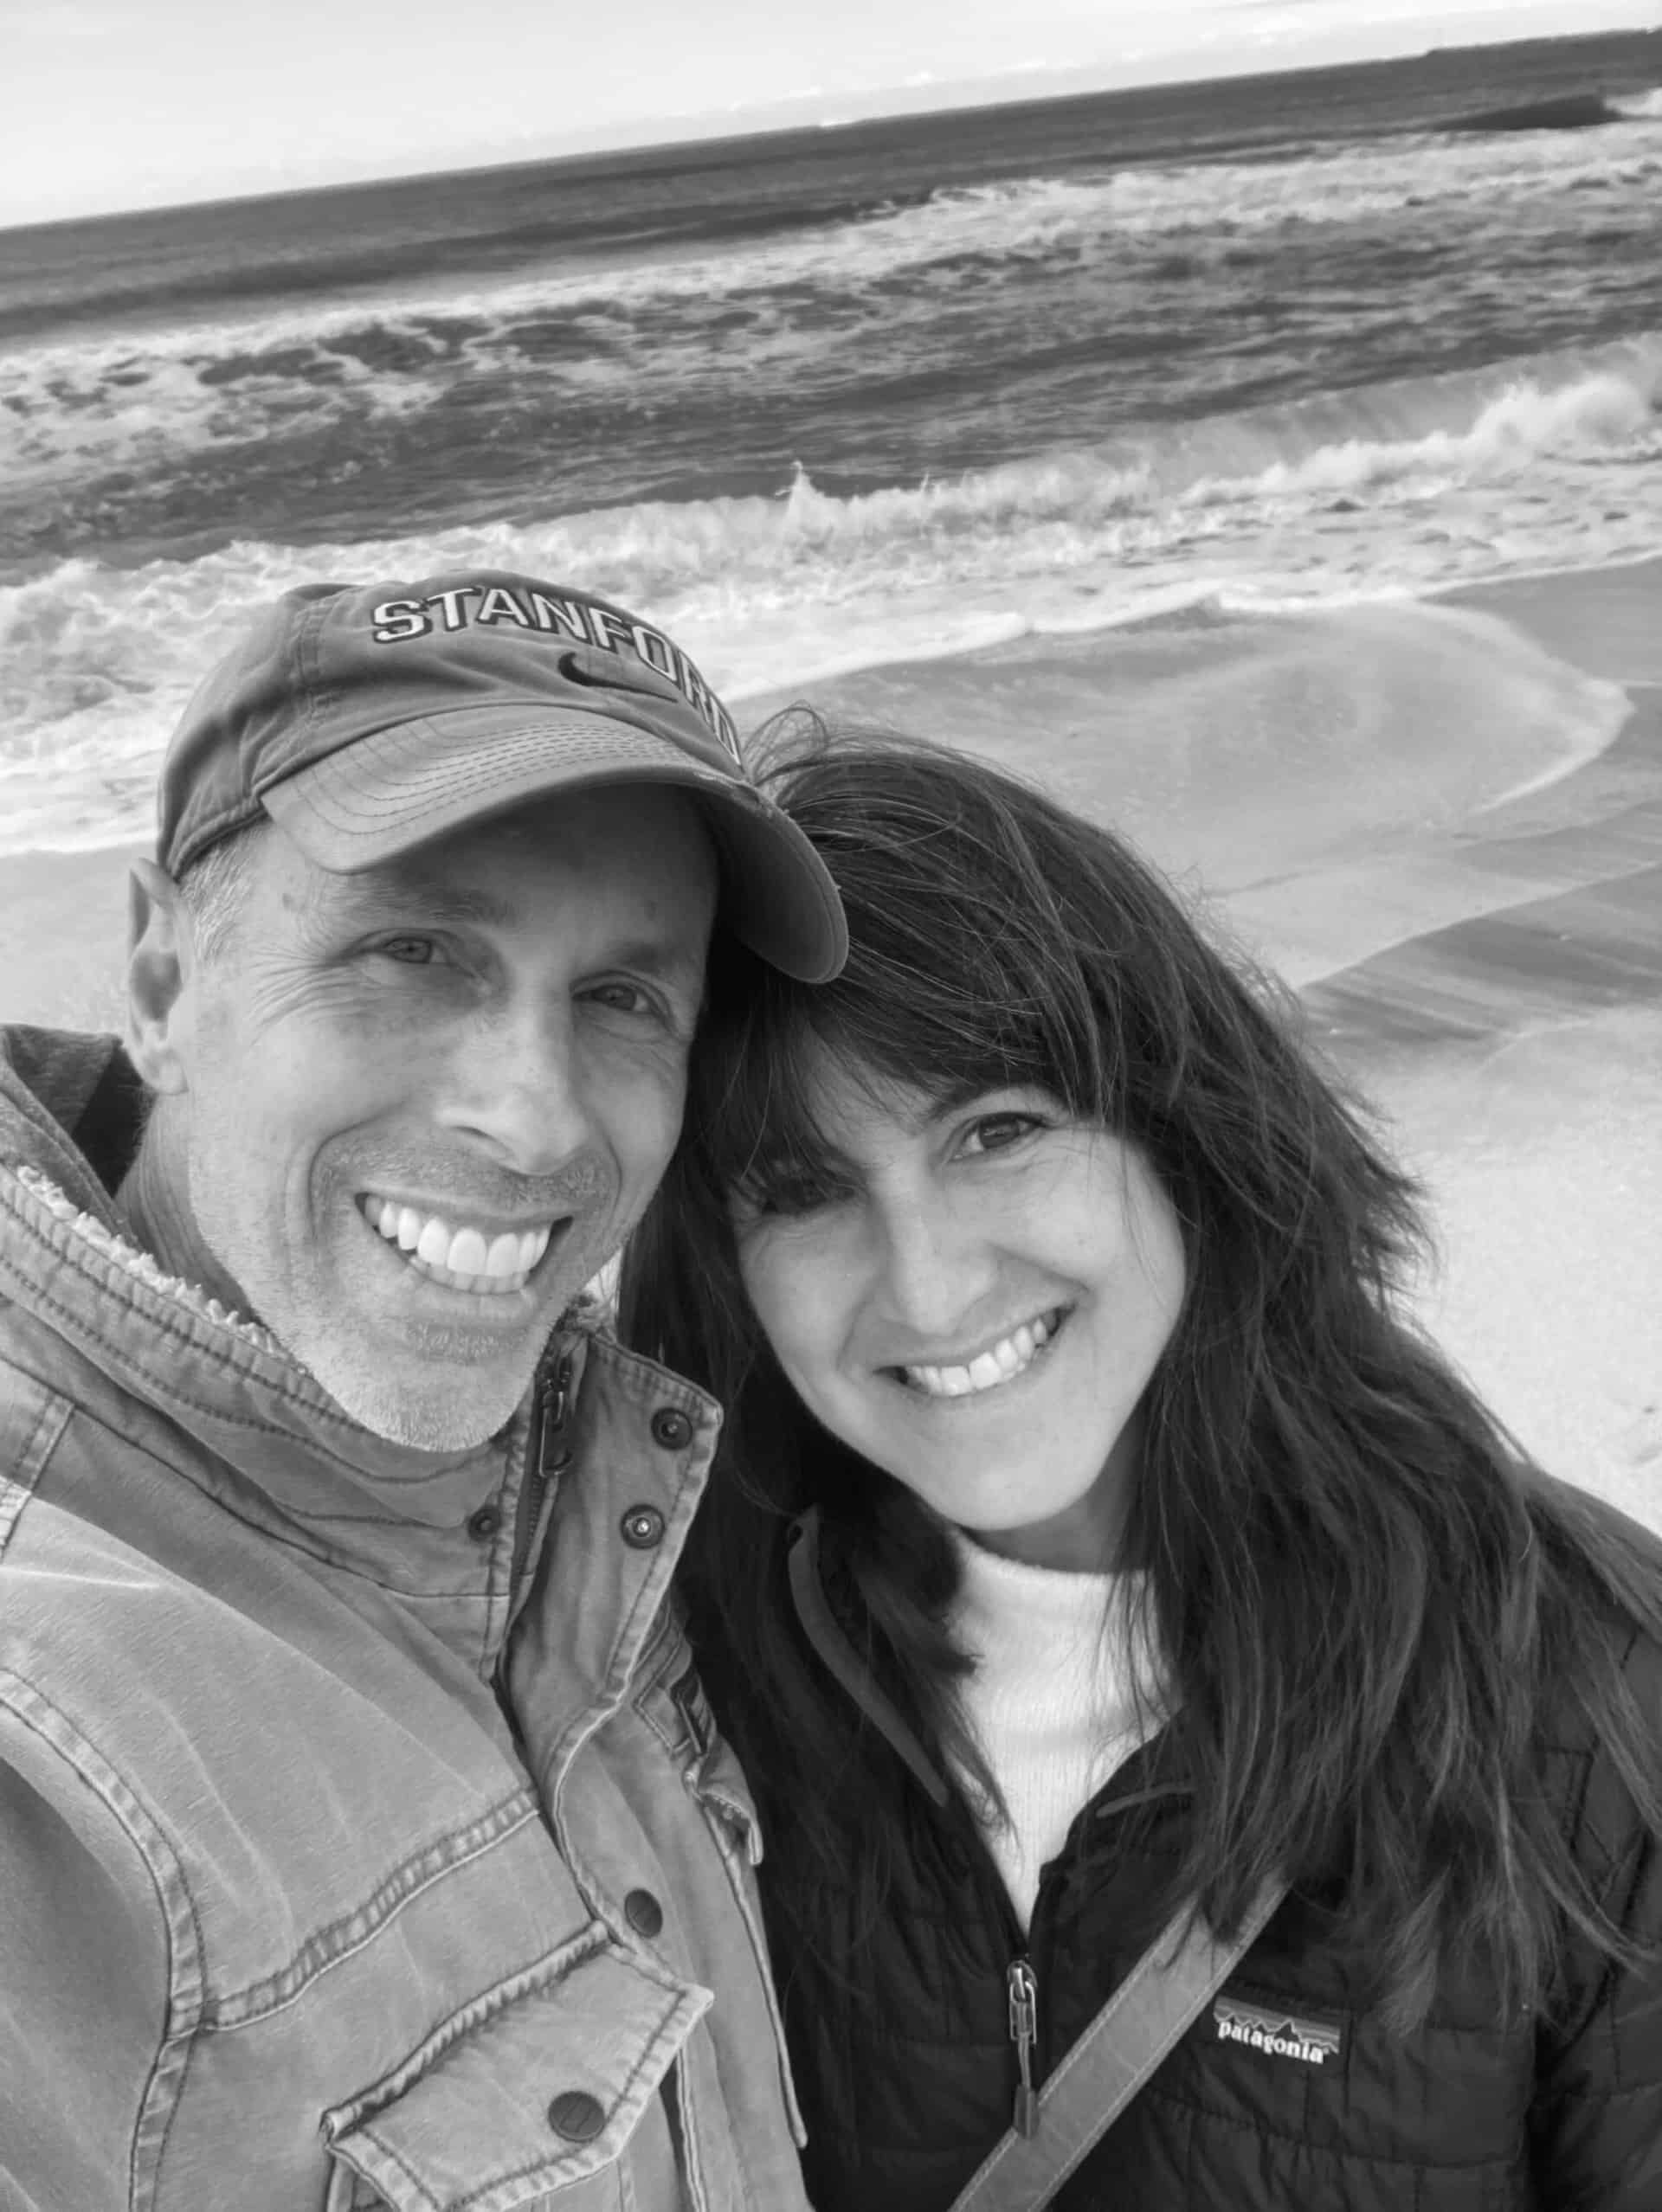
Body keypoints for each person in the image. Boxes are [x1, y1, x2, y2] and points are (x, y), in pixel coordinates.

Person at [622, 725, 1662, 2211]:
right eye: (801, 1191)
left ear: (1185, 1132)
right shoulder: (680, 1660)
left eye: (998, 1130)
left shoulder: (1589, 1688)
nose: (924, 1288)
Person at [0, 571, 847, 2211]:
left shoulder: (603, 1456)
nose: (533, 1122)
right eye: (412, 951)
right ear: (165, 983)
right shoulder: (49, 1710)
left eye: (620, 997)